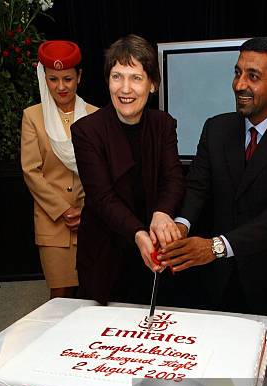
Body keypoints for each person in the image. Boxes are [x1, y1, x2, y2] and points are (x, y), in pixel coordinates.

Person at [159, 37, 267, 319]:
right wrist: (181, 225)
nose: (240, 85)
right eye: (238, 73)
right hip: (215, 285)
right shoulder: (216, 128)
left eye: (253, 76)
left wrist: (215, 247)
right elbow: (198, 187)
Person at [71, 34, 184, 305]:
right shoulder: (87, 131)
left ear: (153, 84)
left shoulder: (164, 124)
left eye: (136, 77)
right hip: (106, 252)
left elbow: (174, 178)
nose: (125, 88)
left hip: (154, 249)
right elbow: (101, 198)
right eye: (117, 76)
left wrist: (162, 212)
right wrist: (138, 233)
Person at [21, 40, 98, 299]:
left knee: (93, 296)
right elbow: (31, 171)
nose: (61, 87)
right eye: (53, 79)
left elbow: (101, 173)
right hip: (53, 223)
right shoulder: (32, 116)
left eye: (67, 78)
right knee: (60, 297)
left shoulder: (95, 115)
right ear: (44, 78)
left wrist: (86, 210)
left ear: (79, 77)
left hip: (92, 220)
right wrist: (64, 209)